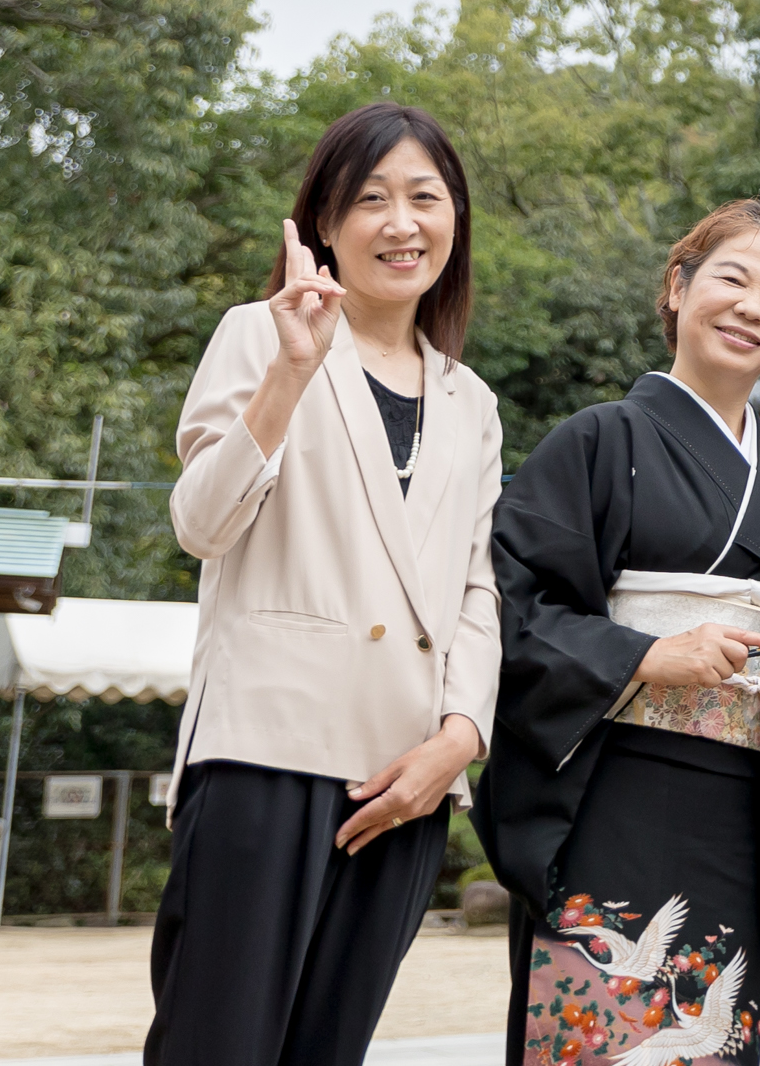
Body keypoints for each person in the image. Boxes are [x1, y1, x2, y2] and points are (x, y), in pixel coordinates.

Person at [480, 200, 760, 1066]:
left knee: (704, 1034)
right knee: (595, 1040)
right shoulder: (597, 439)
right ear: (678, 286)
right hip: (607, 788)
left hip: (739, 803)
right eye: (733, 278)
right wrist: (647, 654)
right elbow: (513, 604)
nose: (752, 307)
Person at [154, 102, 506, 1066]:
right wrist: (290, 374)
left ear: (455, 219)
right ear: (324, 222)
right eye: (372, 199)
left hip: (402, 778)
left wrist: (460, 740)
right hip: (263, 750)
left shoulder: (471, 401)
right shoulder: (257, 335)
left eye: (425, 198)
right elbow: (201, 523)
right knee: (217, 1045)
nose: (402, 223)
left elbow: (477, 589)